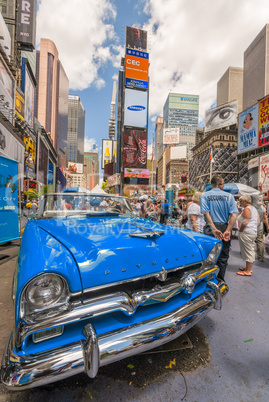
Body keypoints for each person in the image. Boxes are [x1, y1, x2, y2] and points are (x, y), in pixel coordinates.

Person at [200, 176, 238, 282]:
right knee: (223, 256)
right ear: (219, 183)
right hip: (224, 225)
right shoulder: (229, 196)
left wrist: (213, 228)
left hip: (209, 228)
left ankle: (206, 281)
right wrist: (228, 230)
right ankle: (220, 280)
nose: (224, 186)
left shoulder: (204, 195)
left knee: (207, 255)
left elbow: (206, 213)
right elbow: (234, 215)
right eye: (223, 183)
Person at [236, 196, 259, 276]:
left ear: (245, 201)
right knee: (249, 250)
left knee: (248, 251)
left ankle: (248, 271)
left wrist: (241, 230)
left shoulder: (247, 209)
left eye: (240, 201)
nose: (239, 203)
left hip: (246, 233)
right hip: (252, 232)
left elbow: (245, 222)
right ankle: (248, 268)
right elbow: (258, 221)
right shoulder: (254, 209)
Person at [252, 194, 269, 262]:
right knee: (260, 241)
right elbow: (265, 218)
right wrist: (267, 226)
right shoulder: (262, 207)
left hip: (251, 226)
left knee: (251, 241)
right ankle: (261, 257)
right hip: (260, 226)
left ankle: (250, 256)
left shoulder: (251, 207)